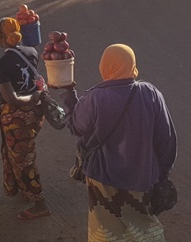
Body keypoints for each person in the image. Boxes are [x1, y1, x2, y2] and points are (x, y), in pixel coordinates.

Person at [56, 44, 177, 241]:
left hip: (103, 181)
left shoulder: (95, 98)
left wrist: (69, 94)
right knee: (144, 228)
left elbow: (76, 126)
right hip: (142, 179)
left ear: (105, 66)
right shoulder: (151, 94)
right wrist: (161, 174)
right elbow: (167, 141)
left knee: (107, 230)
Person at [0, 17, 51, 220]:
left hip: (17, 120)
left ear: (1, 36)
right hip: (35, 115)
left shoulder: (1, 64)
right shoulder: (31, 52)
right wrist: (35, 98)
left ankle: (40, 203)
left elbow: (12, 98)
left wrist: (31, 97)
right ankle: (23, 191)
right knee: (18, 156)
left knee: (23, 160)